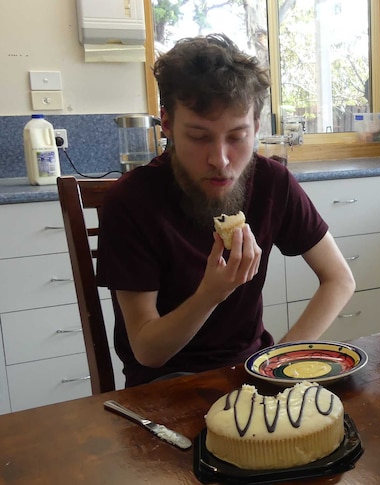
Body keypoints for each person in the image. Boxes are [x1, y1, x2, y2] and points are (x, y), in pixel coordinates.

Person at [96, 34, 356, 387]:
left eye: (236, 137)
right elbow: (147, 350)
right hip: (164, 387)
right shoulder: (130, 201)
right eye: (199, 137)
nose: (220, 160)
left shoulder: (272, 182)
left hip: (251, 372)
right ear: (168, 125)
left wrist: (280, 362)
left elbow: (339, 279)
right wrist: (211, 294)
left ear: (257, 128)